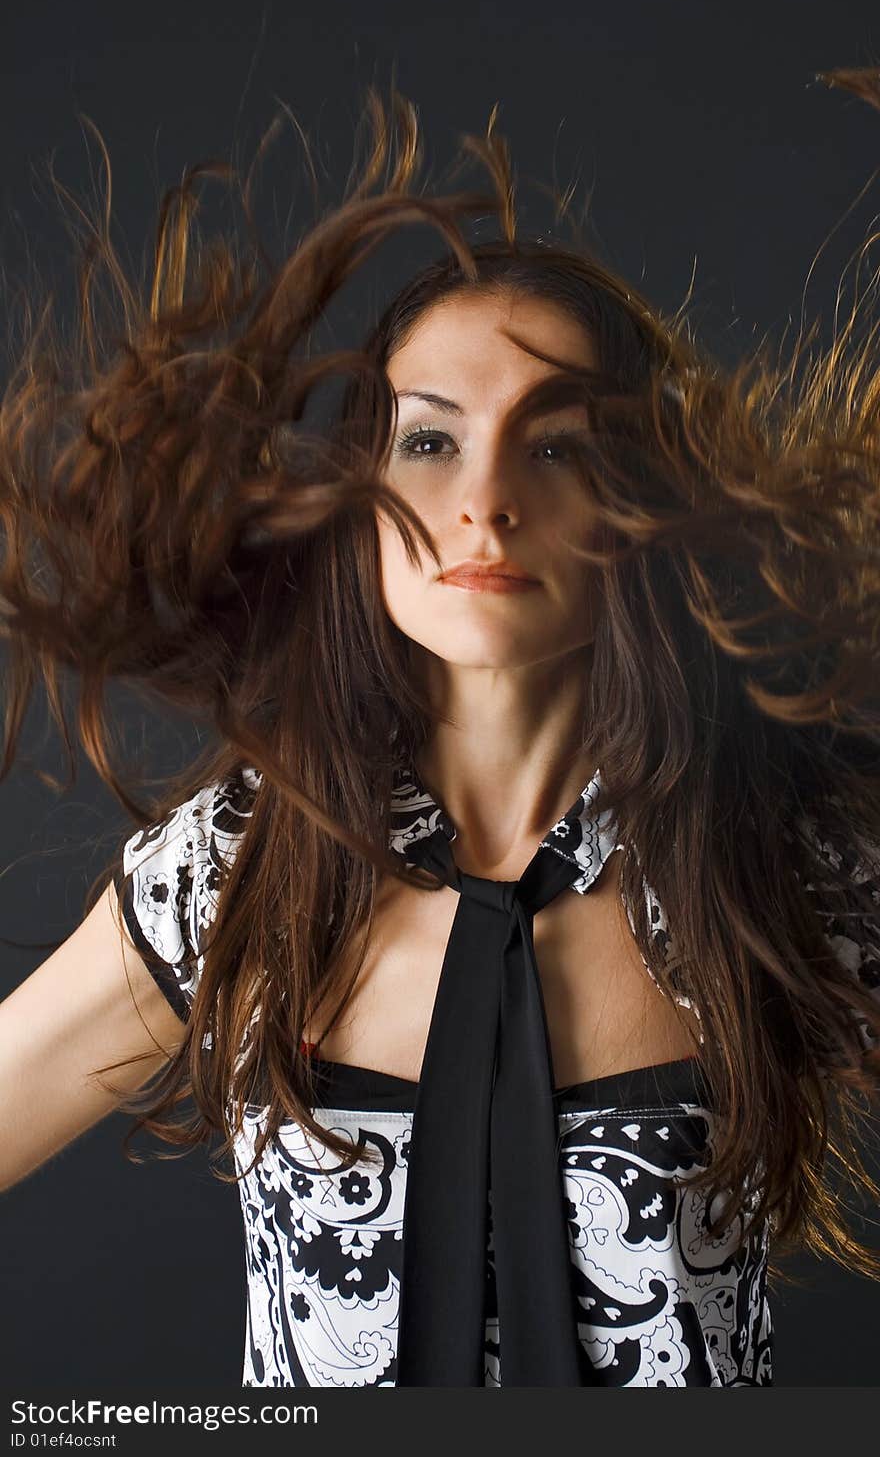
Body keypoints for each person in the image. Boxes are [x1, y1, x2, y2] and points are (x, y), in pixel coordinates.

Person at [1, 86, 879, 1389]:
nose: (484, 504)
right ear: (358, 501)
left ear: (637, 508)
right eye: (428, 441)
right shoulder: (234, 873)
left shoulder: (783, 858)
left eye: (560, 446)